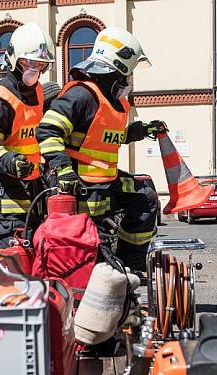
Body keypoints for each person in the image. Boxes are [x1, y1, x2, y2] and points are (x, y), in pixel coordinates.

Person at [36, 27, 161, 272]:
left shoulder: (111, 101)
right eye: (129, 73)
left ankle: (130, 267)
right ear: (118, 68)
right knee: (92, 250)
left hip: (105, 182)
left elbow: (102, 137)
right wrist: (63, 171)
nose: (129, 80)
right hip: (80, 185)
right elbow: (48, 130)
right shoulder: (81, 94)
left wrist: (137, 131)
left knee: (145, 198)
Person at [0, 22, 54, 247]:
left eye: (41, 64)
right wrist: (12, 162)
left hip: (32, 191)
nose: (36, 69)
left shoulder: (37, 92)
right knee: (13, 262)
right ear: (14, 59)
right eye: (30, 62)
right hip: (5, 198)